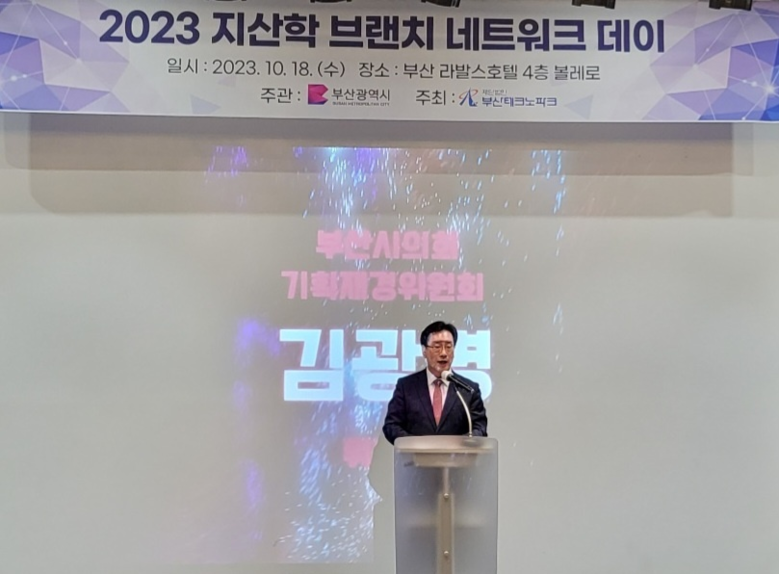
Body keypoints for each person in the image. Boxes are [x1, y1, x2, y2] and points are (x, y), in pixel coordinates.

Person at [382, 321, 488, 444]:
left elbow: (480, 427)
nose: (443, 353)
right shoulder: (406, 386)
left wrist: (460, 444)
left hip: (456, 456)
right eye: (437, 347)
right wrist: (414, 445)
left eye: (448, 347)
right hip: (416, 456)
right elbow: (391, 425)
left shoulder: (468, 389)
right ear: (424, 350)